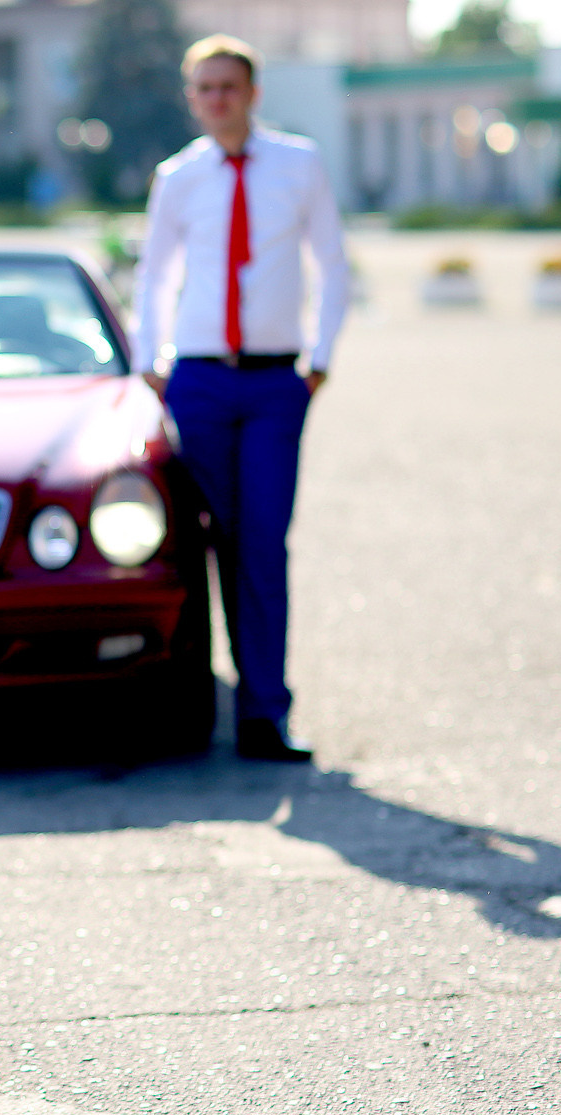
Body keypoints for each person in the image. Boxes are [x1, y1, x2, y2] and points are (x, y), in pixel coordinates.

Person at [134, 34, 350, 763]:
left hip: (273, 384)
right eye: (204, 88)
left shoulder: (299, 163)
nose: (217, 99)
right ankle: (191, 705)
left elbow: (334, 265)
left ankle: (264, 713)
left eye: (228, 86)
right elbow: (154, 275)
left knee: (261, 543)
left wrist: (319, 362)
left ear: (253, 94)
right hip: (198, 381)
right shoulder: (178, 177)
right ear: (191, 98)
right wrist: (150, 363)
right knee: (201, 539)